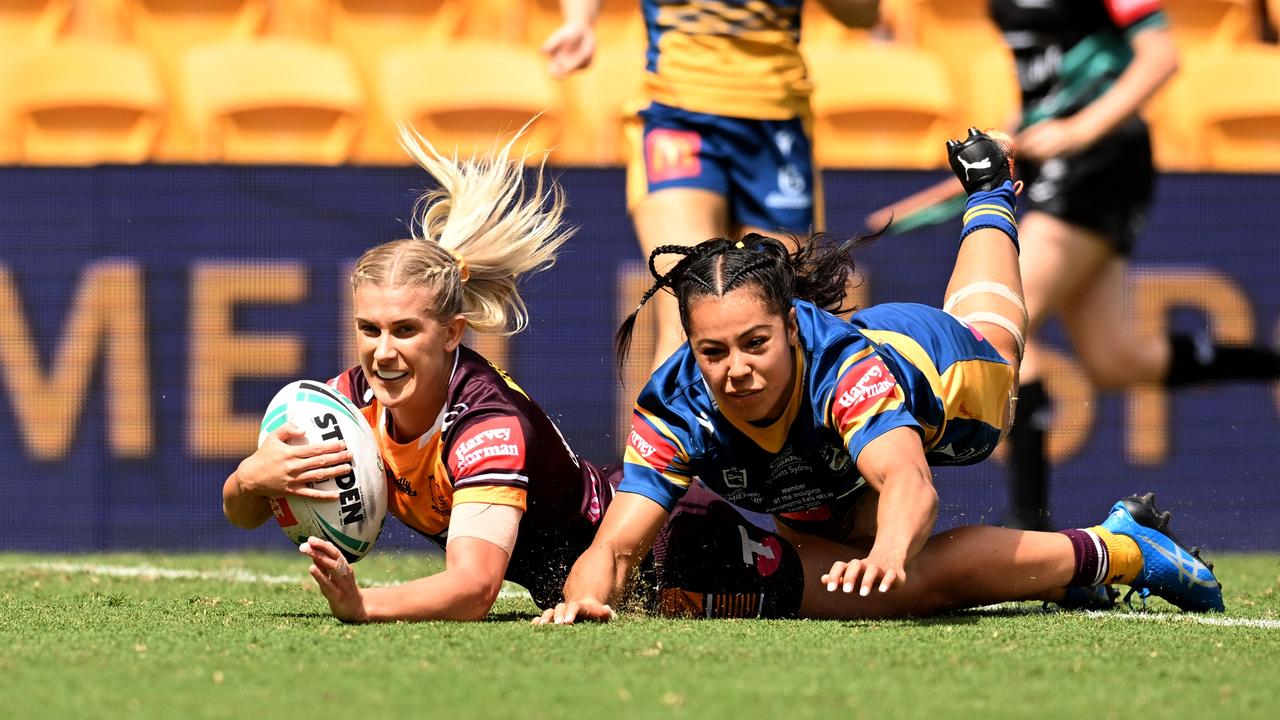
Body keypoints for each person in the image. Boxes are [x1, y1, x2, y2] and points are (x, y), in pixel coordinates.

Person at [533, 129, 1224, 624]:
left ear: (794, 328)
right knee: (841, 565)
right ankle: (1090, 561)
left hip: (932, 371)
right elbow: (617, 544)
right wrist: (585, 597)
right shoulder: (675, 406)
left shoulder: (843, 371)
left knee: (993, 338)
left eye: (756, 343)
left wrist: (891, 553)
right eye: (714, 352)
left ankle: (991, 194)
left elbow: (909, 484)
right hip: (821, 467)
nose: (736, 369)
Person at [220, 127, 820, 622]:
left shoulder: (485, 424)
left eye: (405, 330)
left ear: (453, 332)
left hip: (671, 556)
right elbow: (244, 511)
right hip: (588, 592)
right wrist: (251, 480)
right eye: (369, 329)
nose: (381, 352)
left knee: (884, 589)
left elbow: (474, 589)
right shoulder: (349, 403)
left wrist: (364, 605)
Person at [990, 0, 1280, 529]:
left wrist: (1078, 131)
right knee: (1115, 358)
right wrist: (1010, 138)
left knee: (1007, 320)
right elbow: (1045, 83)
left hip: (1103, 159)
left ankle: (1029, 533)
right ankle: (1272, 364)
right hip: (1060, 162)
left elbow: (1161, 56)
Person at [544, 0, 881, 368]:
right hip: (677, 112)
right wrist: (579, 21)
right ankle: (663, 428)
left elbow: (863, 14)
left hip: (778, 123)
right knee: (685, 313)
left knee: (781, 316)